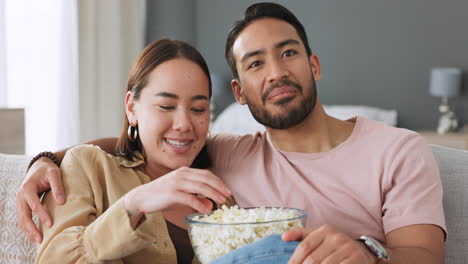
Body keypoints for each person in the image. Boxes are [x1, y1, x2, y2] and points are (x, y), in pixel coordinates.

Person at [17, 2, 445, 264]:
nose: (276, 72)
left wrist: (367, 255)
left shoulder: (398, 149)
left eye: (288, 53)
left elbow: (427, 256)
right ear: (239, 93)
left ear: (313, 64)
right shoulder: (225, 154)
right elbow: (148, 145)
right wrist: (46, 160)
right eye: (256, 63)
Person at [29, 38, 233, 263]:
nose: (184, 124)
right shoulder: (88, 167)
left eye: (198, 109)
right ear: (131, 108)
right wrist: (134, 205)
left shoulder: (221, 199)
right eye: (166, 106)